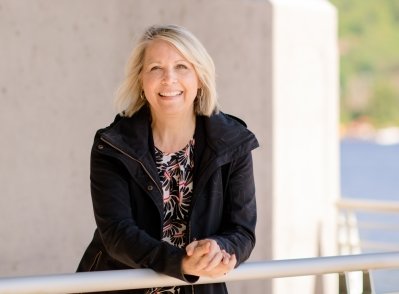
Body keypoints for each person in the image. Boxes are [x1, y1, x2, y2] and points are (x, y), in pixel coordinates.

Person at [77, 24, 259, 294]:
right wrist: (181, 263)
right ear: (141, 79)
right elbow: (116, 234)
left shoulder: (233, 142)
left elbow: (242, 231)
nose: (168, 79)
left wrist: (218, 250)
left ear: (200, 77)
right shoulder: (113, 145)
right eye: (155, 68)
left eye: (181, 67)